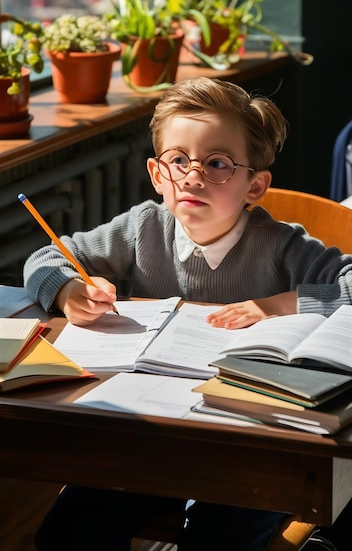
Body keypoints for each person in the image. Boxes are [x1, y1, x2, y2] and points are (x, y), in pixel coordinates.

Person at [24, 77, 352, 551]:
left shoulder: (281, 246)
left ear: (254, 185)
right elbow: (44, 258)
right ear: (158, 175)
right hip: (149, 434)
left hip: (248, 443)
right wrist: (68, 289)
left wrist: (278, 304)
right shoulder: (142, 228)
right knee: (67, 532)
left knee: (220, 537)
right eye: (178, 160)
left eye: (217, 163)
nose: (193, 176)